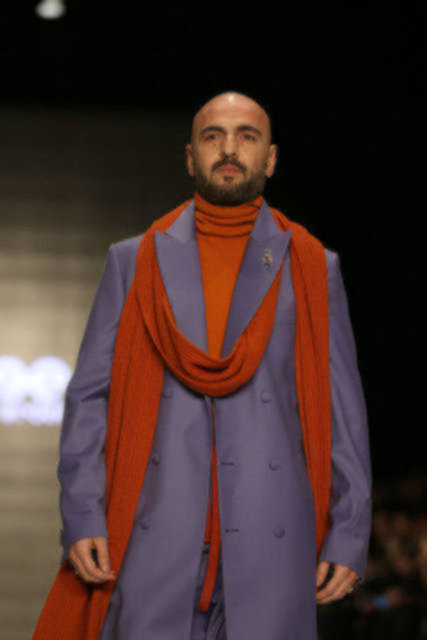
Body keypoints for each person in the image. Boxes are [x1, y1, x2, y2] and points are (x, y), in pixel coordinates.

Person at [32, 91, 372, 640]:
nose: (229, 149)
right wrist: (83, 513)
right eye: (213, 137)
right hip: (152, 537)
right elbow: (90, 397)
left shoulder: (311, 266)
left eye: (246, 136)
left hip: (271, 537)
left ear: (270, 158)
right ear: (191, 158)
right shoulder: (134, 260)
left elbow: (342, 411)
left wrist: (350, 531)